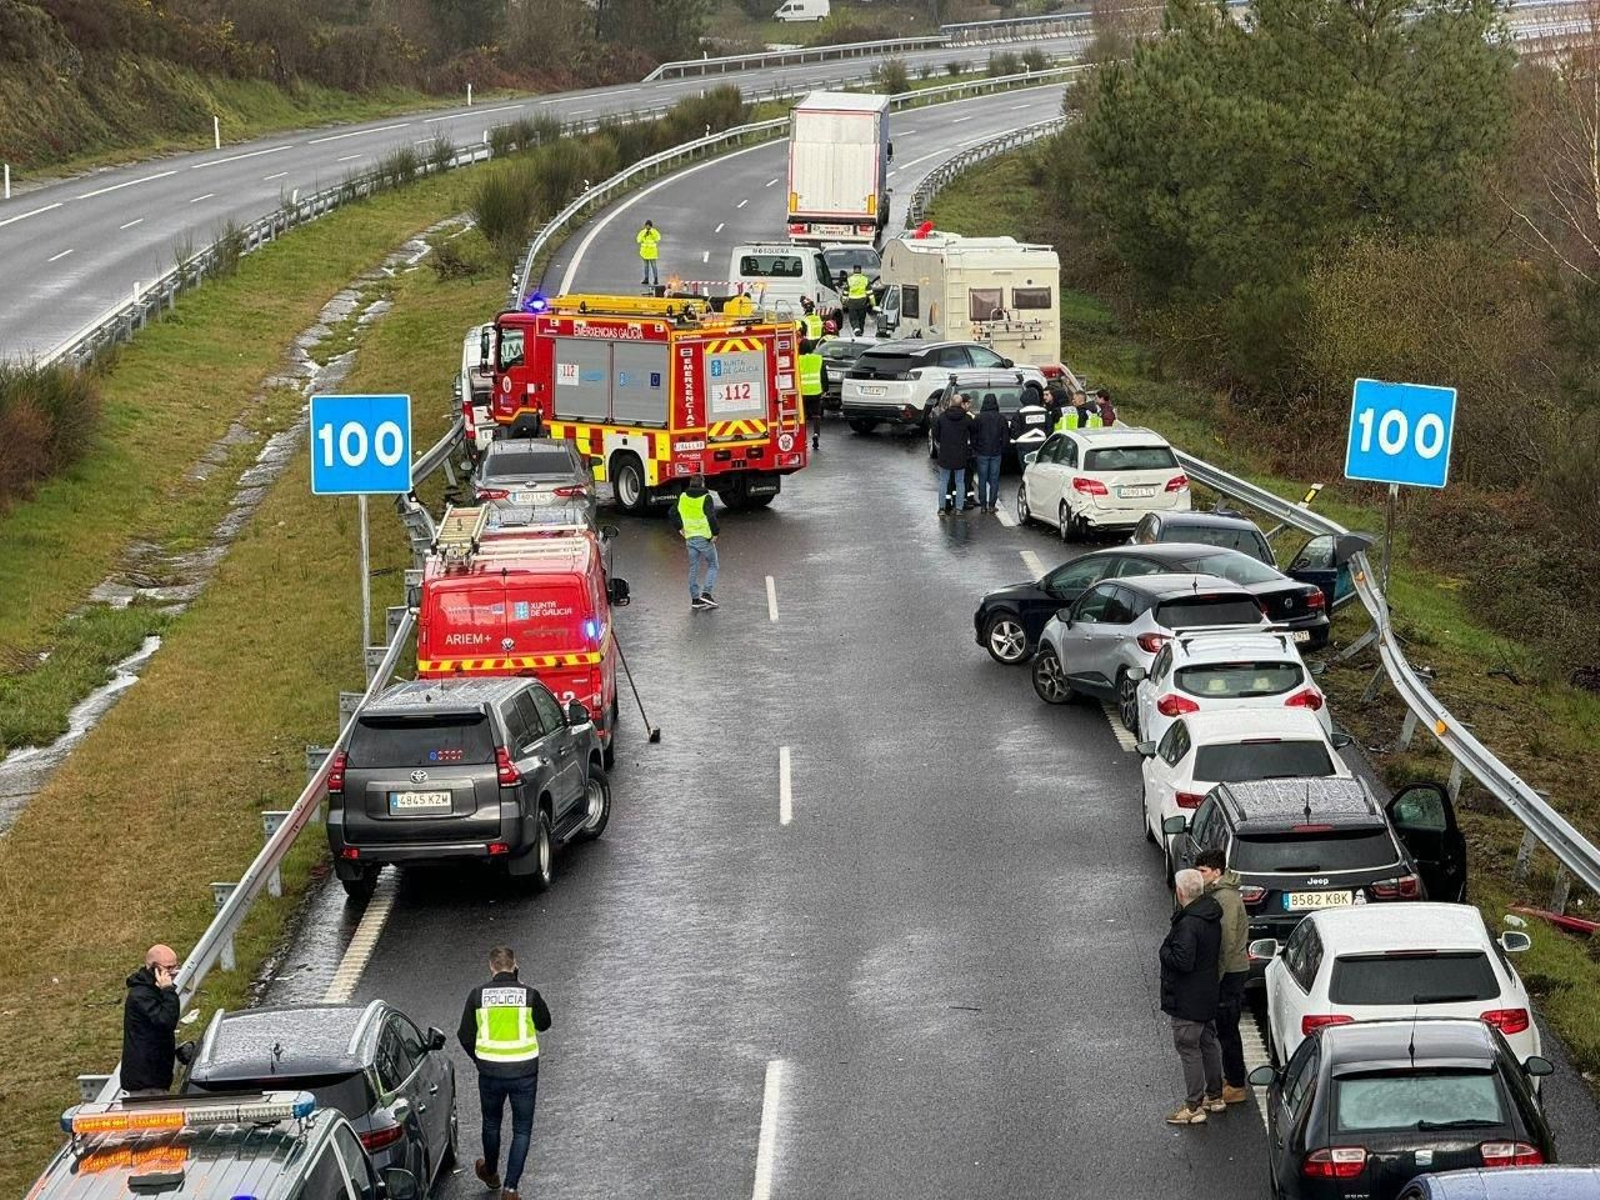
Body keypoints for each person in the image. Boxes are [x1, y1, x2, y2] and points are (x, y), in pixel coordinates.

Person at [458, 946, 551, 1200]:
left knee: (491, 1123)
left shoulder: (477, 996)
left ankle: (490, 1172)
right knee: (521, 1129)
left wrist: (479, 1059)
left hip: (490, 1071)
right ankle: (511, 1189)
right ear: (515, 965)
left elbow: (464, 1035)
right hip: (524, 1072)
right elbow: (545, 1023)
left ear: (491, 967)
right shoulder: (529, 995)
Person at [1160, 869, 1225, 1125]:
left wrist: (1164, 950)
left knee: (1189, 1048)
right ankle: (1215, 1096)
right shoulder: (1210, 915)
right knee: (1208, 1043)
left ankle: (1193, 1106)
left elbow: (1182, 961)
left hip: (1187, 999)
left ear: (1180, 892)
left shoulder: (1188, 924)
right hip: (1207, 993)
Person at [1197, 848, 1251, 1105]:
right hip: (1230, 969)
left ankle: (1236, 1083)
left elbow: (1227, 939)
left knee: (1228, 1029)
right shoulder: (1220, 894)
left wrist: (1214, 976)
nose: (1200, 875)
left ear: (1217, 872)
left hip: (1230, 971)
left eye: (1203, 871)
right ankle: (1233, 1079)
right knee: (1226, 1028)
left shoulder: (1226, 899)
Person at [122, 945, 181, 1094]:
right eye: (169, 968)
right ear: (154, 968)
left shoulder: (153, 990)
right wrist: (168, 991)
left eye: (175, 966)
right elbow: (166, 1021)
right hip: (146, 1080)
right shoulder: (142, 995)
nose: (173, 973)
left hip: (156, 1075)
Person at [669, 474, 720, 610]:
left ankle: (695, 599)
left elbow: (672, 513)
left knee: (694, 568)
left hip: (690, 537)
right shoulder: (706, 497)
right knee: (713, 565)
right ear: (703, 484)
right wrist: (715, 533)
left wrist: (680, 528)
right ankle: (707, 593)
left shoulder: (683, 497)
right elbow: (711, 516)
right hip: (704, 538)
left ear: (691, 484)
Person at [934, 393, 974, 517]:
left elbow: (936, 434)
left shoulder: (942, 417)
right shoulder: (967, 419)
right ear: (961, 403)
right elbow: (972, 433)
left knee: (943, 481)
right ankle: (959, 508)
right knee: (960, 482)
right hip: (960, 454)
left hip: (945, 454)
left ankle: (941, 508)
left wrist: (943, 442)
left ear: (950, 403)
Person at [971, 392, 1009, 514]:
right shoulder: (1001, 418)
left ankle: (983, 505)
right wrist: (1002, 448)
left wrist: (976, 448)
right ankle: (992, 505)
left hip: (982, 452)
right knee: (994, 479)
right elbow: (1005, 437)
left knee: (982, 479)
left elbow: (974, 436)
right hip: (996, 452)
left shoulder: (978, 418)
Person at [798, 337, 824, 451]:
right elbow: (823, 376)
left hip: (802, 393)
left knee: (802, 417)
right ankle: (816, 434)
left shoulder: (797, 359)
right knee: (816, 415)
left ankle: (802, 438)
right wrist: (825, 389)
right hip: (816, 391)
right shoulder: (818, 359)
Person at [844, 268, 873, 337]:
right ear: (860, 272)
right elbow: (870, 293)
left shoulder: (849, 280)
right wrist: (873, 303)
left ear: (854, 271)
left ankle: (857, 330)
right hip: (862, 303)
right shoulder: (865, 279)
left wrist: (843, 301)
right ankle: (861, 332)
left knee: (853, 318)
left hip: (852, 303)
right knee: (861, 319)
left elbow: (845, 292)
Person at [636, 220, 661, 287]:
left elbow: (658, 238)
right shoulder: (642, 232)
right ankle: (646, 279)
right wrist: (644, 234)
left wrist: (651, 233)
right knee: (646, 266)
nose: (648, 227)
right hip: (645, 252)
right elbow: (638, 240)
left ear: (651, 226)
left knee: (653, 266)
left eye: (649, 225)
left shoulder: (654, 232)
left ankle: (656, 279)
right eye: (647, 225)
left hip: (652, 252)